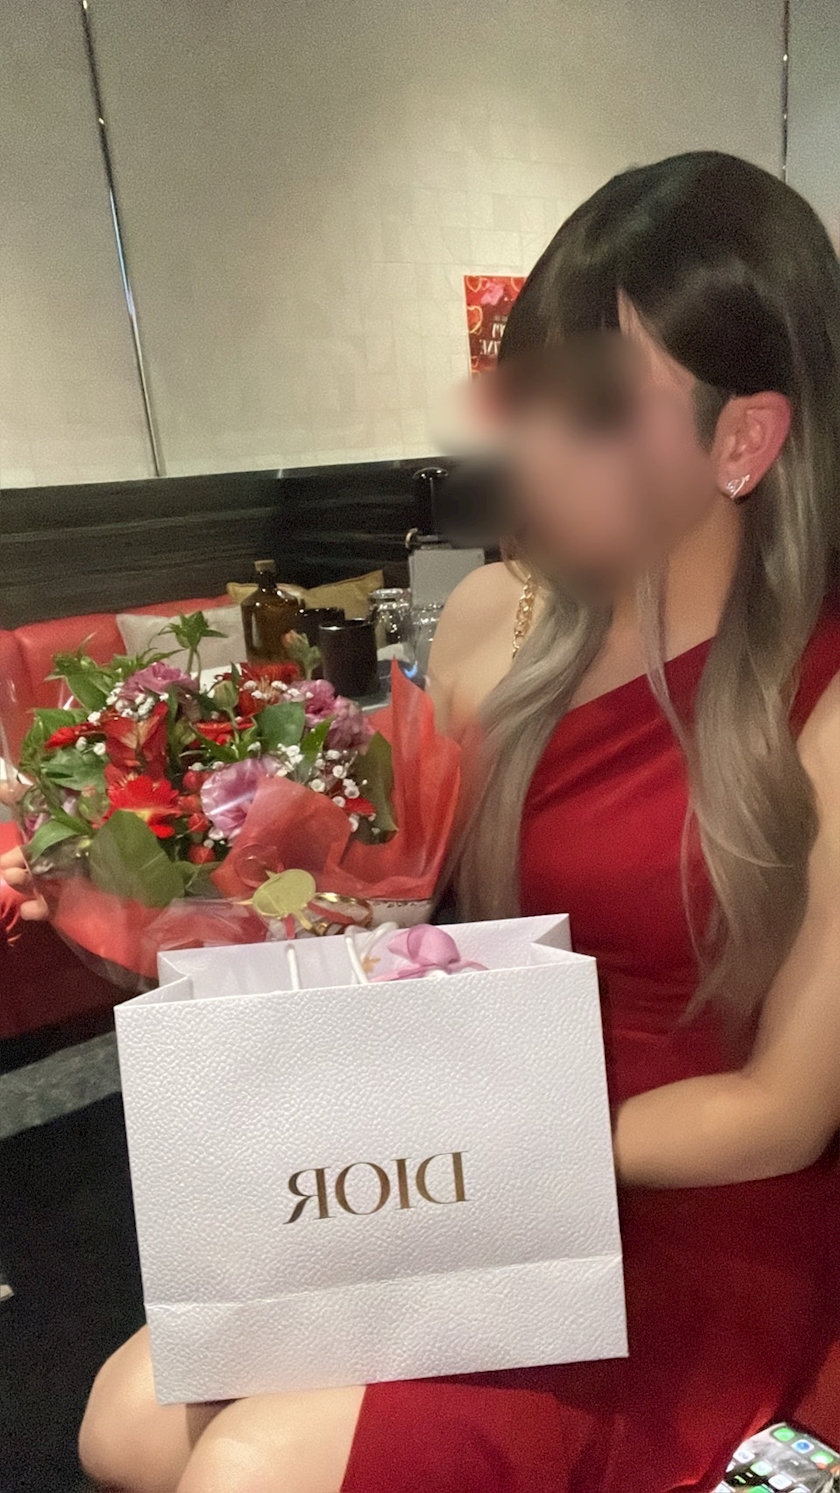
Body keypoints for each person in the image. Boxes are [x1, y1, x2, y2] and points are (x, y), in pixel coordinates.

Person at [4, 149, 840, 1493]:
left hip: (695, 1206)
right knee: (125, 1422)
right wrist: (172, 888)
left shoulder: (822, 700)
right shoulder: (492, 623)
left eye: (595, 409)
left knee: (251, 1467)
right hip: (471, 1161)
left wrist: (494, 1146)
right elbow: (392, 918)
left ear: (744, 440)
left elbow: (785, 1110)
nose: (528, 451)